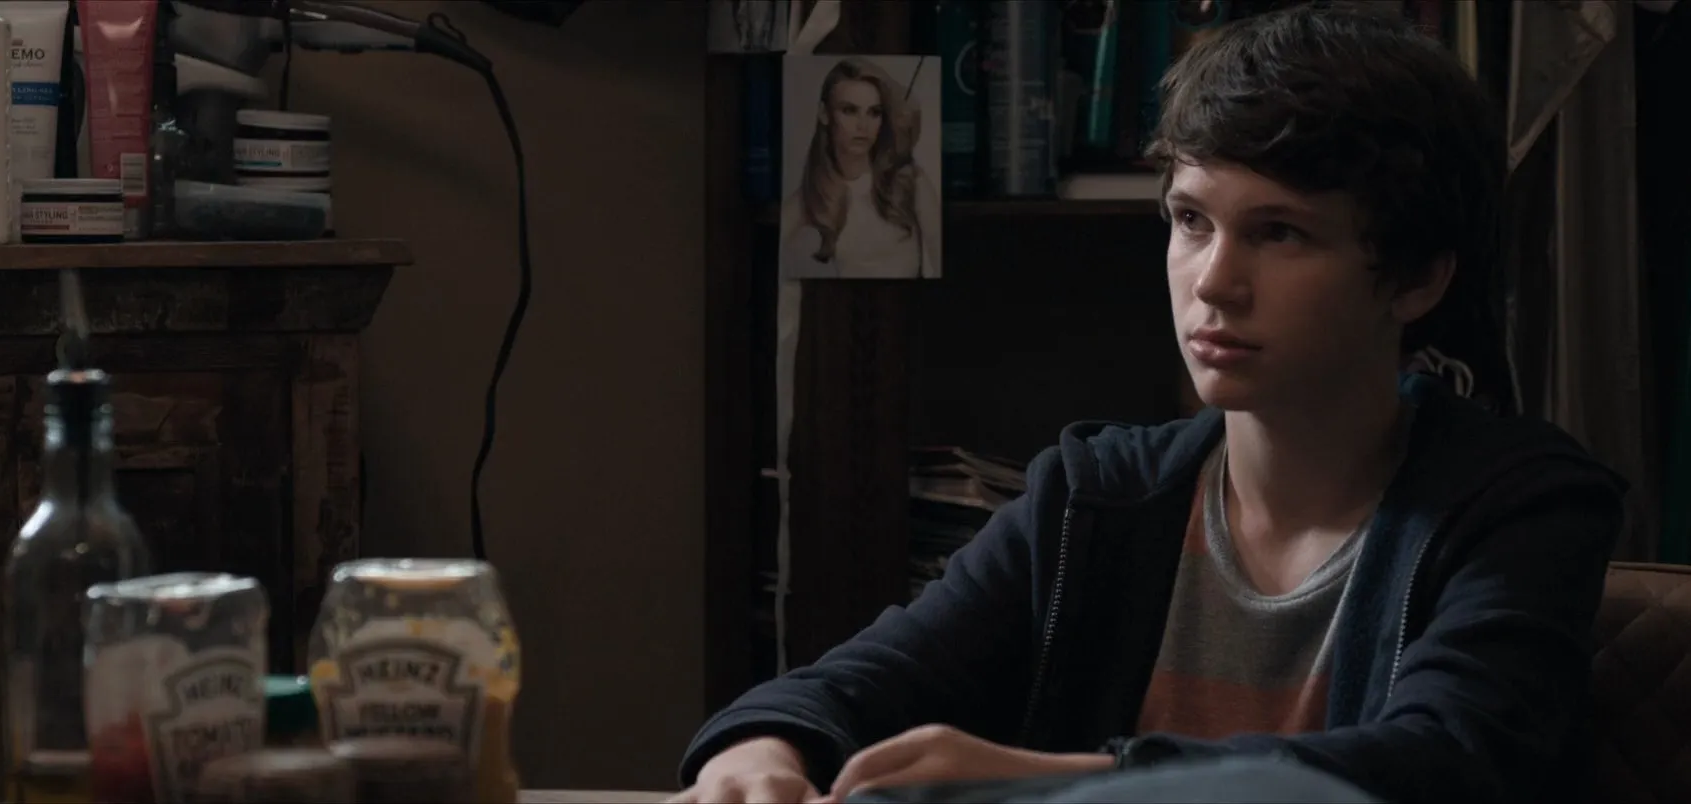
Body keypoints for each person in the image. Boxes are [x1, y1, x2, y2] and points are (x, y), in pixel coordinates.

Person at [677, 5, 1625, 804]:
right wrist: (762, 750)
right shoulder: (1098, 496)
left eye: (1281, 234)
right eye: (1191, 220)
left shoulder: (1521, 505)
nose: (1213, 282)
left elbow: (1447, 763)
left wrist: (1064, 780)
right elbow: (851, 685)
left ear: (1416, 279)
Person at [781, 57, 943, 280]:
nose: (863, 126)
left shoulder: (908, 179)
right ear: (824, 114)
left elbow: (944, 259)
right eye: (849, 110)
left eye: (874, 112)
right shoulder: (813, 195)